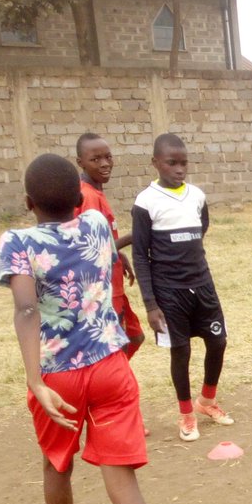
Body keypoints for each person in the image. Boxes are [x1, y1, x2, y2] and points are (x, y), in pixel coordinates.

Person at [0, 153, 164, 504]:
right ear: (78, 197)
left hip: (59, 377)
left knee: (57, 463)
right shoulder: (93, 223)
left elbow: (26, 311)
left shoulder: (17, 243)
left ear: (28, 202)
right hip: (111, 368)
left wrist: (35, 381)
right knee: (123, 481)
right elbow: (108, 239)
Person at [131, 133, 233, 441]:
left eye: (183, 163)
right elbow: (140, 254)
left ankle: (207, 401)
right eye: (171, 163)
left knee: (218, 342)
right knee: (181, 351)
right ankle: (187, 414)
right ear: (156, 163)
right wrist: (150, 304)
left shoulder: (197, 196)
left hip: (202, 284)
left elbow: (201, 228)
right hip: (168, 292)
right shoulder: (145, 202)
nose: (179, 169)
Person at [75, 132, 144, 359]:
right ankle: (112, 388)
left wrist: (119, 255)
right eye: (95, 160)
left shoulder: (96, 193)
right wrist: (134, 236)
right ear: (80, 163)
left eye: (108, 157)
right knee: (117, 344)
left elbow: (104, 240)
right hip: (103, 286)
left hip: (113, 280)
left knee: (134, 336)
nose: (105, 164)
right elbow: (91, 249)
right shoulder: (88, 197)